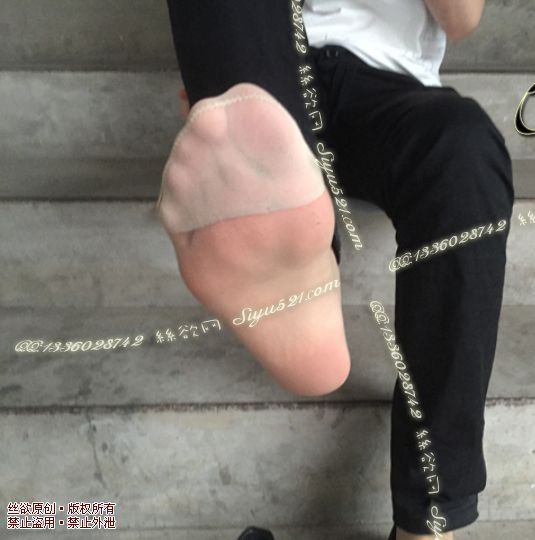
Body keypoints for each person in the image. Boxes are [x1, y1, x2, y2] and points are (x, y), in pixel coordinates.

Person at [159, 1, 513, 539]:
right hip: (263, 70)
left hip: (388, 83)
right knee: (254, 108)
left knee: (464, 152)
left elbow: (463, 19)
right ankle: (285, 240)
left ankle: (428, 525)